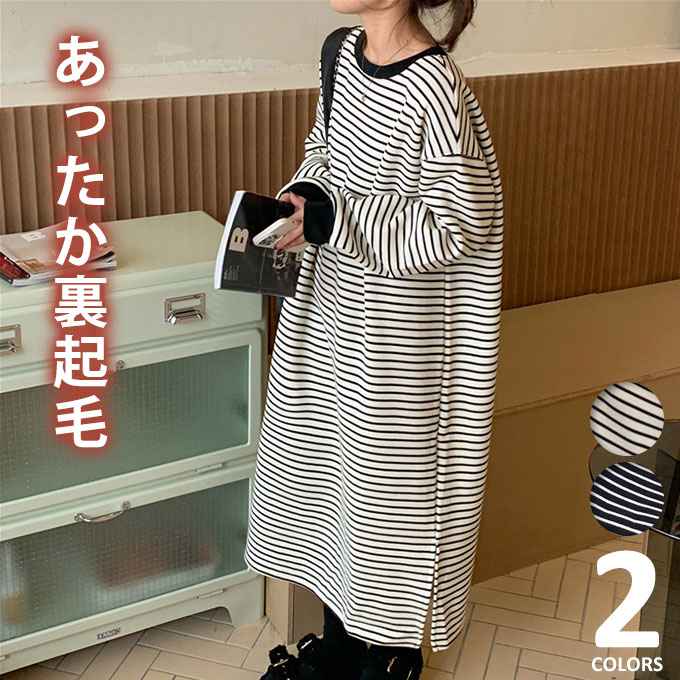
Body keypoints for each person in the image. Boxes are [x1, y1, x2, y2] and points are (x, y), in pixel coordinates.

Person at [244, 0, 504, 678]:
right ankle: (339, 647)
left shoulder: (435, 85)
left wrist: (333, 217)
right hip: (331, 313)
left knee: (390, 502)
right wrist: (304, 199)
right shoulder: (340, 51)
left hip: (398, 340)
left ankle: (389, 659)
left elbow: (459, 223)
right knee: (335, 482)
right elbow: (323, 150)